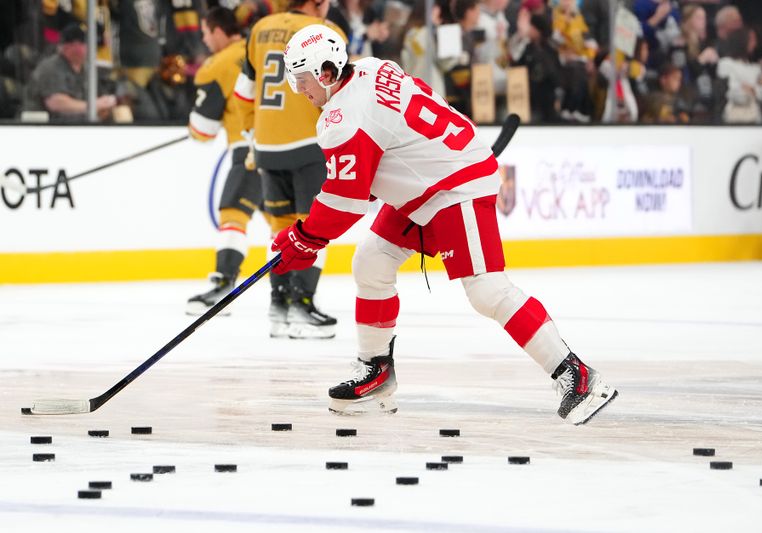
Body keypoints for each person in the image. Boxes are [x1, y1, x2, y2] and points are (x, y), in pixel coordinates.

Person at [272, 24, 619, 424]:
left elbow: (345, 202)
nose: (300, 91)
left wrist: (304, 240)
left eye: (302, 81)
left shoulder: (340, 116)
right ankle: (376, 372)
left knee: (486, 290)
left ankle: (577, 376)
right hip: (429, 181)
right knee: (371, 260)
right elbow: (392, 140)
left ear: (327, 74)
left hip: (455, 186)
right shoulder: (370, 67)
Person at [233, 0, 345, 339]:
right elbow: (341, 92)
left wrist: (254, 133)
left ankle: (278, 307)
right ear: (317, 3)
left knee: (280, 228)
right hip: (309, 143)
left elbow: (243, 91)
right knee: (314, 227)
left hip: (267, 145)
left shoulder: (260, 28)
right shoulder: (327, 33)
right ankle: (302, 305)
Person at [185, 7, 268, 315]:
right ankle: (294, 293)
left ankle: (224, 285)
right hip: (284, 145)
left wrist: (196, 127)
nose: (205, 40)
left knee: (233, 214)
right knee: (281, 222)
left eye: (206, 32)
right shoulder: (261, 49)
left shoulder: (216, 65)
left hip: (248, 149)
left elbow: (203, 130)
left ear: (218, 30)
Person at [24, 24, 117, 122]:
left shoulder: (85, 69)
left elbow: (97, 98)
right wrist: (95, 105)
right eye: (84, 43)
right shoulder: (51, 67)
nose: (89, 48)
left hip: (75, 127)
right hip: (41, 128)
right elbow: (56, 103)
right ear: (71, 46)